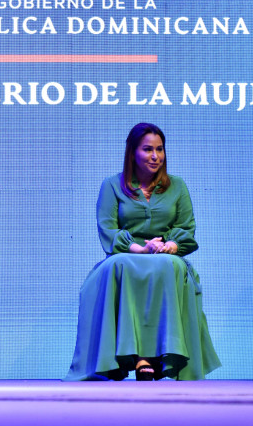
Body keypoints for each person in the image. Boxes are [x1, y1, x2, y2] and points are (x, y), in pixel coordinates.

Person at [66, 123, 221, 381]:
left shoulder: (178, 186)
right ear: (132, 152)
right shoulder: (112, 185)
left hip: (166, 255)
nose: (155, 156)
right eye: (148, 149)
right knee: (120, 265)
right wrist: (140, 249)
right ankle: (138, 358)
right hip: (126, 254)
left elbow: (186, 227)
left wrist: (171, 246)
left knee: (170, 264)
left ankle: (159, 356)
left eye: (160, 149)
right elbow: (108, 229)